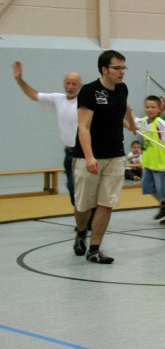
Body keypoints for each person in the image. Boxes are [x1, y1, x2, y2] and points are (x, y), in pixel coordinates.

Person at [73, 50, 136, 264]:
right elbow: (83, 126)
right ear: (104, 69)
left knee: (106, 203)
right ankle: (81, 231)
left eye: (123, 68)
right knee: (84, 206)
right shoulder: (89, 91)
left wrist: (131, 123)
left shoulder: (122, 89)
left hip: (115, 155)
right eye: (117, 68)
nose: (122, 72)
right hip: (89, 156)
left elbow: (124, 107)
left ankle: (94, 249)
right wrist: (90, 157)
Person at [12, 61, 82, 208]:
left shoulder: (85, 102)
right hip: (69, 154)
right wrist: (19, 79)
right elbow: (34, 95)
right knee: (72, 187)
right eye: (67, 83)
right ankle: (82, 217)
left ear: (79, 86)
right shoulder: (58, 99)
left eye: (74, 84)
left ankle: (89, 216)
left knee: (83, 189)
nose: (70, 87)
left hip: (84, 154)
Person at [136, 95, 165, 224]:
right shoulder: (143, 121)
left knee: (163, 190)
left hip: (159, 163)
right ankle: (164, 205)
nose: (150, 109)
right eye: (147, 107)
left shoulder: (160, 123)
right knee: (146, 186)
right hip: (148, 162)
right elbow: (132, 122)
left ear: (159, 109)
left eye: (153, 107)